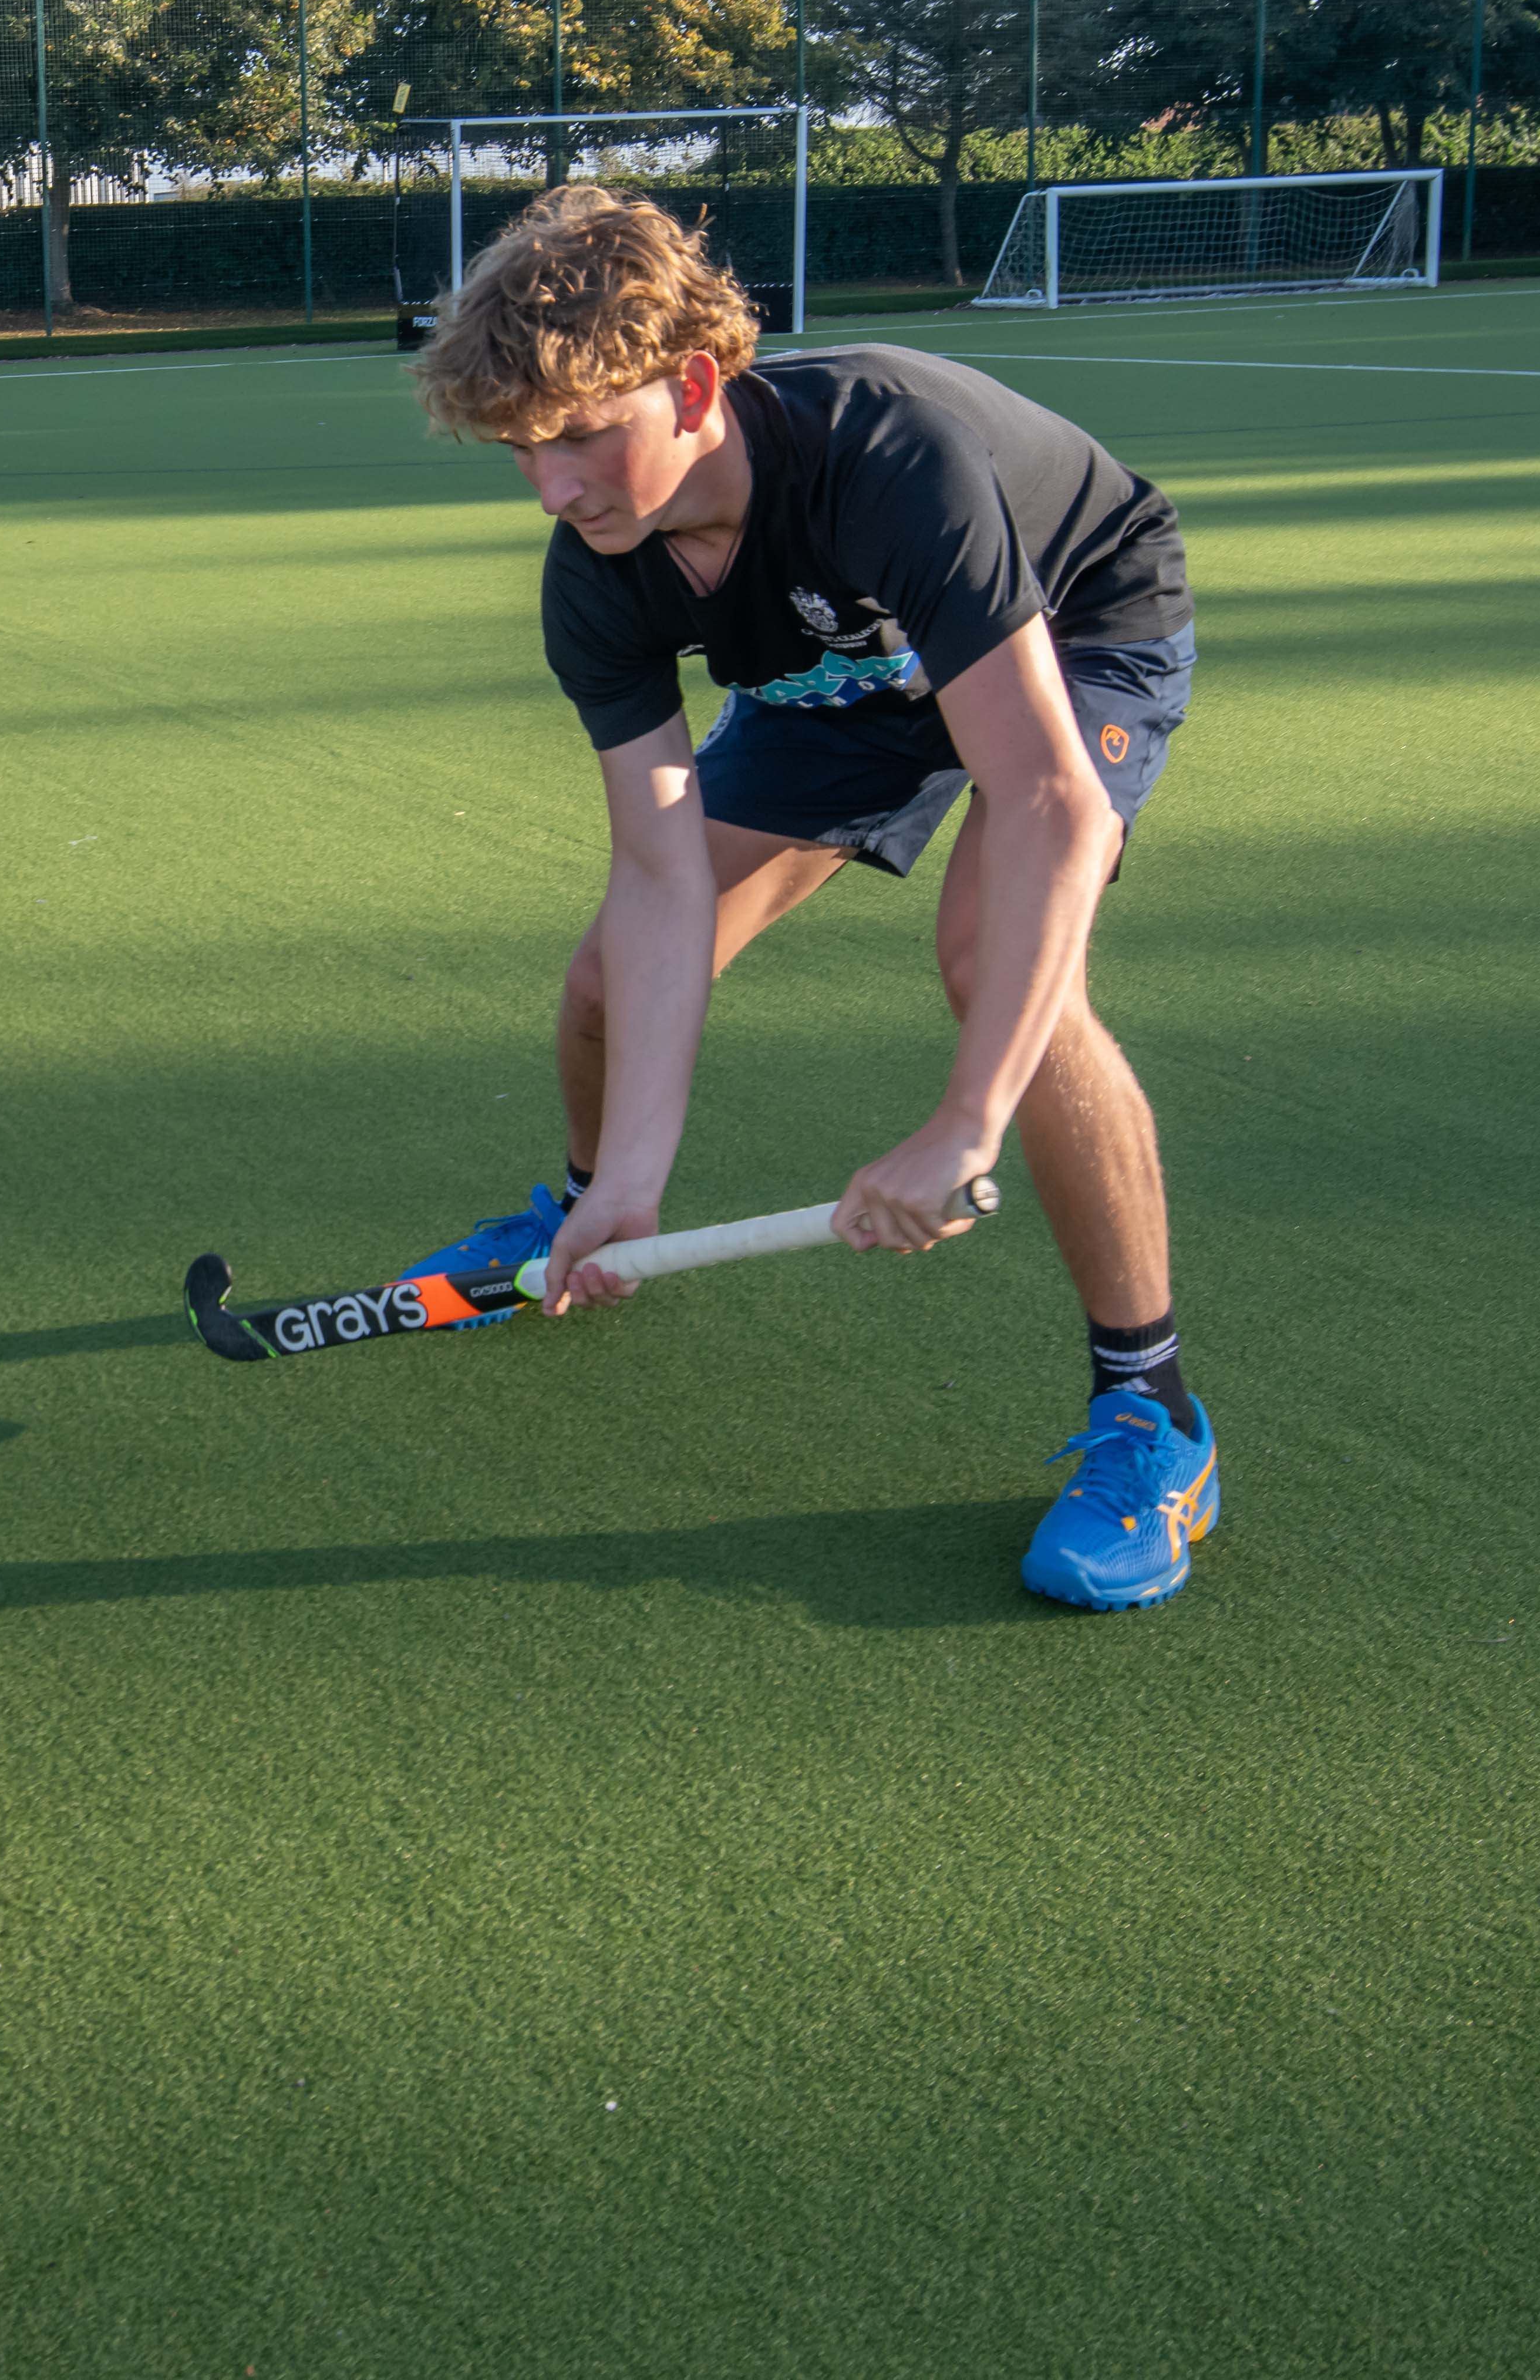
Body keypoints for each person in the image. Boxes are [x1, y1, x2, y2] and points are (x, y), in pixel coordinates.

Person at [405, 188, 1214, 1611]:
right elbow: (657, 870)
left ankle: (1151, 1415)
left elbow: (1043, 797)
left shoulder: (891, 457)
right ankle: (587, 1207)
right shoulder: (597, 573)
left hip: (1071, 622)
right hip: (837, 681)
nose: (556, 488)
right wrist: (642, 1183)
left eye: (584, 433)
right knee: (607, 979)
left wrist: (965, 1120)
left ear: (695, 385)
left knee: (1001, 970)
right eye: (525, 452)